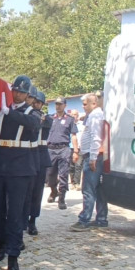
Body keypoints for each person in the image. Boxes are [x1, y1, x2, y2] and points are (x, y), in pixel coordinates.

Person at [0, 75, 41, 270]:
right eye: (15, 90)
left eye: (21, 92)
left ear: (27, 94)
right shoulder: (1, 109)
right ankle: (1, 241)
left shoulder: (32, 113)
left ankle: (13, 257)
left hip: (20, 169)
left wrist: (8, 112)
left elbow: (32, 124)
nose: (17, 94)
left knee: (15, 214)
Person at [70, 93, 106, 231]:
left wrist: (92, 158)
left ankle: (84, 220)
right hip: (93, 155)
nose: (83, 107)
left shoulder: (95, 116)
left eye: (85, 104)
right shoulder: (94, 115)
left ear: (94, 104)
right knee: (98, 190)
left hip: (93, 156)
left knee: (88, 190)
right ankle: (101, 219)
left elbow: (96, 137)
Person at [25, 90, 52, 234]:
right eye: (34, 102)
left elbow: (46, 123)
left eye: (39, 103)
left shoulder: (45, 118)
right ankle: (23, 218)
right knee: (26, 190)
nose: (36, 105)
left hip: (40, 155)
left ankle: (32, 220)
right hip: (28, 154)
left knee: (37, 191)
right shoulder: (25, 114)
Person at [46, 97, 79, 209]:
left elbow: (74, 135)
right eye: (56, 104)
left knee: (63, 174)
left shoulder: (70, 119)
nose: (58, 106)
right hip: (51, 149)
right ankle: (54, 191)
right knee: (50, 174)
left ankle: (62, 198)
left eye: (60, 104)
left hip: (64, 148)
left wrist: (75, 151)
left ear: (65, 105)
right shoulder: (50, 118)